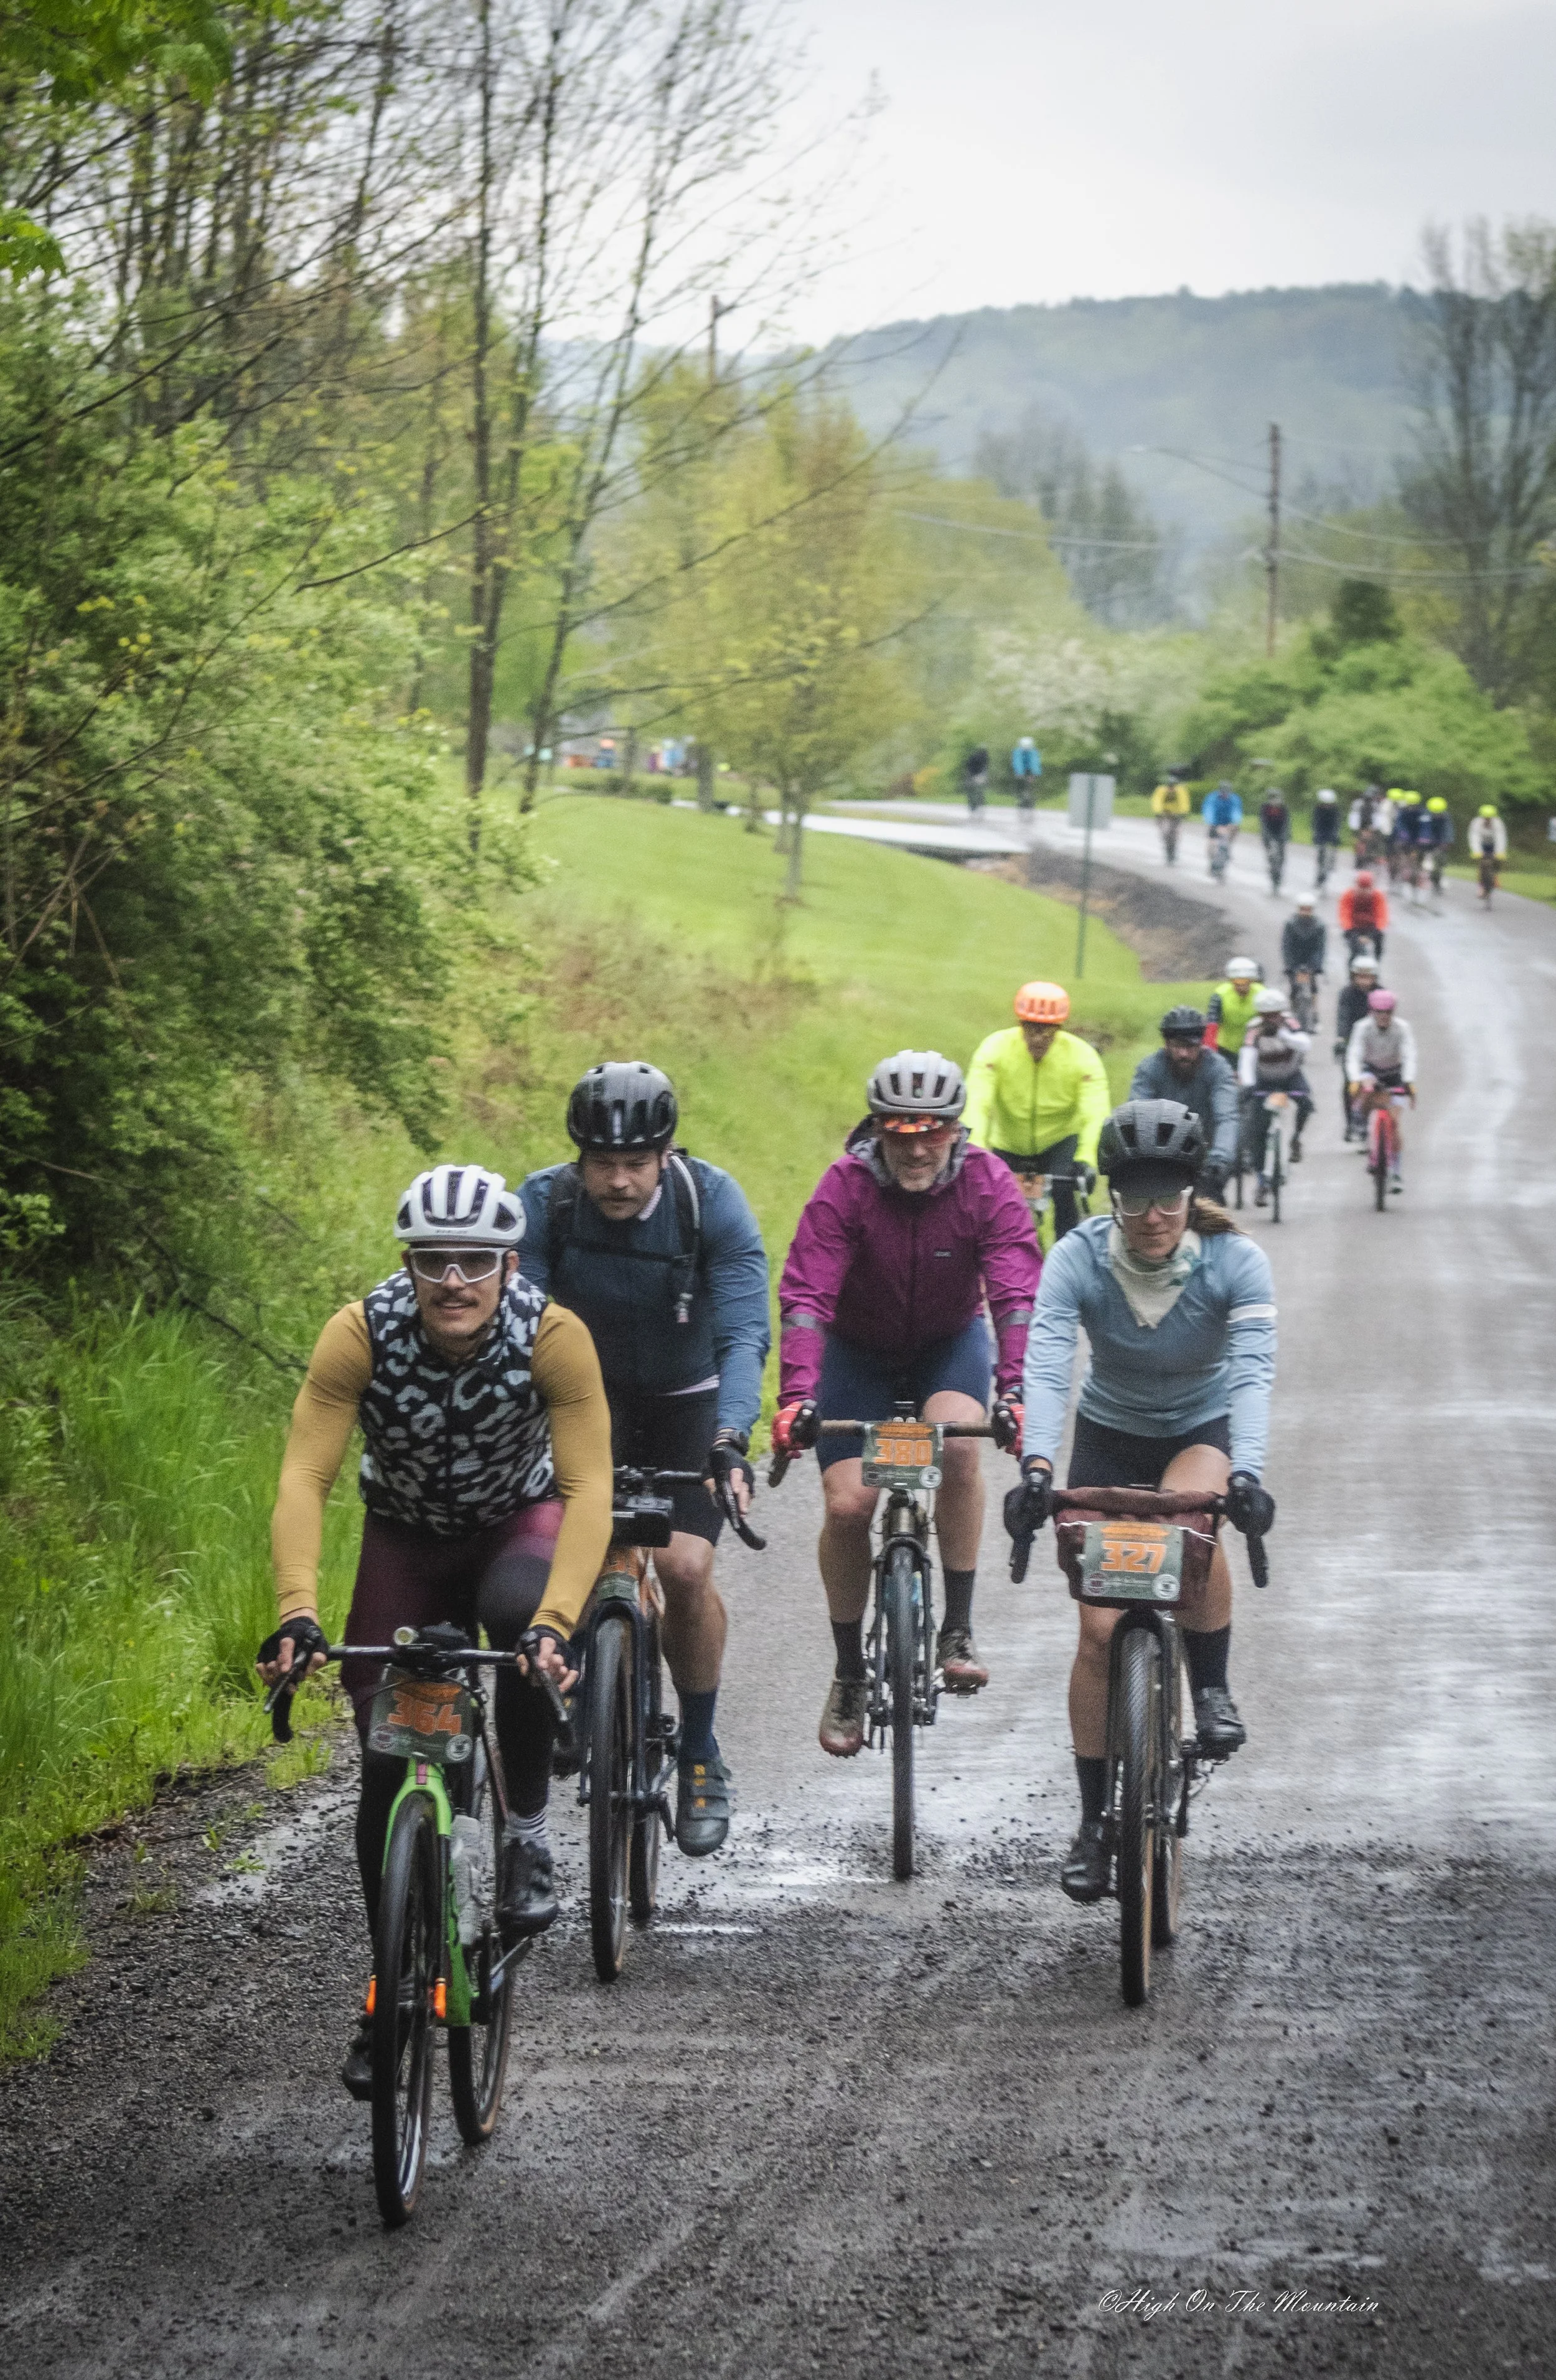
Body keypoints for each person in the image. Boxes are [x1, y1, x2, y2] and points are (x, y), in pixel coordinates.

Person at [258, 1165, 614, 2096]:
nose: (453, 1279)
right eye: (432, 1261)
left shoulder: (553, 1335)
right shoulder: (360, 1332)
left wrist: (559, 1623)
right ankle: (388, 1995)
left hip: (515, 1527)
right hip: (407, 1539)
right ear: (409, 1266)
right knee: (389, 1751)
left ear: (507, 1261)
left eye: (474, 1261)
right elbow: (306, 1478)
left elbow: (588, 1491)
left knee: (519, 1628)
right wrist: (297, 1609)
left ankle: (527, 1830)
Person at [1005, 1100, 1277, 1903]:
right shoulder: (1078, 1258)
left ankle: (1212, 1684)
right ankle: (1094, 1825)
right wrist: (1035, 1466)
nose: (1151, 1216)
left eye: (1168, 1197)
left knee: (1196, 1513)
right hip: (1109, 1433)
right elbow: (1049, 1367)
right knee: (1096, 1632)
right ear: (1108, 1196)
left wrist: (1249, 1475)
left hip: (1200, 1422)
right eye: (1132, 1199)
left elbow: (1254, 1372)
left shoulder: (1236, 1262)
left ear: (1193, 1194)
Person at [519, 1062, 769, 1857]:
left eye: (635, 1164)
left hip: (685, 1405)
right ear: (577, 1158)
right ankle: (590, 1673)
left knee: (688, 1571)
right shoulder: (545, 1205)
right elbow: (515, 1329)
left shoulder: (711, 1204)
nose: (618, 1182)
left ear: (666, 1155)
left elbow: (741, 1333)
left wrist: (730, 1437)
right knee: (587, 1555)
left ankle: (699, 1749)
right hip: (584, 1405)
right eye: (601, 1164)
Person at [772, 1050, 1039, 1730]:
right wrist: (796, 1397)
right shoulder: (845, 1186)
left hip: (946, 1346)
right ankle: (848, 1673)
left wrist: (1013, 1389)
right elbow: (807, 1295)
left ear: (955, 1129)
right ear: (877, 1131)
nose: (916, 1149)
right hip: (857, 1353)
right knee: (848, 1506)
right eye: (899, 1133)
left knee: (956, 1449)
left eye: (931, 1132)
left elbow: (1013, 1292)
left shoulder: (987, 1183)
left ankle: (958, 1627)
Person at [963, 981, 1110, 1241]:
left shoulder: (1082, 1056)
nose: (1038, 1038)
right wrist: (975, 1149)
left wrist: (1087, 1158)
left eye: (1047, 1030)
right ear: (1021, 1024)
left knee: (1066, 1199)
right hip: (1008, 1141)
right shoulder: (995, 1048)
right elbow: (978, 1102)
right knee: (992, 1206)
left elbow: (1095, 1112)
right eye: (1031, 1028)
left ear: (1059, 1028)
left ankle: (1069, 1259)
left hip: (1059, 1141)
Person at [1128, 1006, 1239, 1201]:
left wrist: (1220, 1158)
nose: (1184, 1054)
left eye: (1191, 1047)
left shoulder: (1218, 1069)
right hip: (1163, 1155)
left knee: (1211, 1215)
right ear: (1167, 1045)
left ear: (1201, 1045)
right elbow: (1138, 1114)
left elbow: (1227, 1117)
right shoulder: (1150, 1069)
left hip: (1206, 1155)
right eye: (1178, 1046)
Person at [1237, 988, 1313, 1197]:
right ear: (1260, 1015)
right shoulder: (1254, 1029)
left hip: (1290, 1075)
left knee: (1306, 1104)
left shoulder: (1290, 1023)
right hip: (1264, 1079)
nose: (1271, 1019)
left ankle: (1296, 1138)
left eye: (1275, 1015)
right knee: (1257, 1129)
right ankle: (1261, 1178)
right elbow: (1247, 1058)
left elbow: (1306, 1044)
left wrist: (1282, 1035)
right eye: (1266, 1016)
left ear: (1282, 1013)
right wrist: (1249, 1085)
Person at [1346, 990, 1418, 1190]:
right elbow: (1354, 1054)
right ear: (1372, 1012)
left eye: (1388, 1012)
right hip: (1371, 1071)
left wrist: (1408, 1081)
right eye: (1379, 1012)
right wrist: (1355, 1080)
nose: (1384, 1016)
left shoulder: (1403, 1028)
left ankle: (1395, 1172)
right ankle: (1362, 1124)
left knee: (1394, 1122)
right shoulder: (1362, 1027)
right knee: (1367, 1090)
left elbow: (1409, 1055)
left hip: (1395, 1073)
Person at [1333, 950, 1382, 1139]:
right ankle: (1350, 1124)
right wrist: (1341, 1039)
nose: (1364, 981)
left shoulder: (1381, 994)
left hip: (1375, 1044)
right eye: (1360, 977)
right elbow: (1343, 1018)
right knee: (1350, 1085)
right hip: (1353, 1044)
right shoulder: (1347, 994)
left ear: (1374, 977)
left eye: (1368, 977)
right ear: (1353, 977)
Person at [1204, 956, 1266, 1059]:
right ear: (1231, 981)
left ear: (1252, 981)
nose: (1241, 987)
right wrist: (1209, 1050)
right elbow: (1212, 1023)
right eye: (1237, 983)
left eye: (1245, 982)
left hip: (1255, 1049)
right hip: (1226, 1050)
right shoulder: (1220, 995)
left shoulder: (1262, 994)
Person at [1280, 897, 1326, 1010]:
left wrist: (1318, 965)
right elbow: (1287, 946)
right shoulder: (1290, 925)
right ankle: (1293, 1009)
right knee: (1294, 987)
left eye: (1308, 910)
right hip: (1295, 957)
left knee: (1313, 987)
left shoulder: (1319, 926)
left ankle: (1315, 1012)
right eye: (1303, 909)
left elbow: (1320, 947)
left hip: (1311, 957)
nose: (1305, 912)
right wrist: (1288, 965)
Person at [1338, 869, 1388, 962]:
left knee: (1380, 941)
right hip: (1354, 928)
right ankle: (1352, 971)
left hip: (1371, 928)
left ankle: (1377, 963)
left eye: (1367, 888)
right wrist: (1349, 929)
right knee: (1354, 950)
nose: (1364, 891)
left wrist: (1376, 931)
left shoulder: (1378, 896)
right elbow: (1344, 914)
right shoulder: (1348, 895)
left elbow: (1382, 915)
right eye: (1361, 887)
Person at [1202, 780, 1242, 874]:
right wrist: (1213, 823)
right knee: (1212, 845)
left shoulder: (1234, 799)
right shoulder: (1212, 798)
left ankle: (1228, 847)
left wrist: (1235, 822)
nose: (1225, 795)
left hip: (1229, 824)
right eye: (1223, 793)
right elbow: (1209, 811)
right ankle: (1212, 861)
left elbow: (1236, 812)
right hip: (1215, 823)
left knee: (1232, 833)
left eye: (1227, 793)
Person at [1470, 803, 1507, 904]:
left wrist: (1500, 852)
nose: (1488, 820)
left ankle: (1495, 877)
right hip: (1482, 845)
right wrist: (1477, 851)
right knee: (1483, 865)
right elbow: (1474, 838)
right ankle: (1482, 887)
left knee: (1498, 862)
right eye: (1486, 818)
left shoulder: (1498, 823)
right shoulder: (1476, 823)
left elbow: (1501, 838)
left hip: (1494, 845)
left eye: (1490, 818)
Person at [1150, 770, 1191, 862]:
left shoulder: (1180, 791)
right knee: (1165, 833)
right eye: (1169, 786)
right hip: (1164, 815)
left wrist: (1184, 812)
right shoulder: (1161, 790)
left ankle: (1173, 851)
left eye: (1173, 786)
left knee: (1175, 835)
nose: (1171, 789)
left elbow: (1184, 802)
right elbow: (1157, 801)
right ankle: (1167, 849)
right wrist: (1158, 812)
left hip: (1176, 816)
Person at [1258, 786, 1291, 887]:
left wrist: (1286, 834)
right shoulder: (1265, 808)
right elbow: (1263, 823)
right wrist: (1265, 835)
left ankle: (1279, 872)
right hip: (1269, 831)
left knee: (1281, 854)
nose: (1275, 801)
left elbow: (1287, 823)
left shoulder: (1283, 808)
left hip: (1280, 832)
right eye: (1272, 798)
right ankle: (1271, 865)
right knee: (1271, 853)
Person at [1011, 737, 1042, 811]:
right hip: (1021, 770)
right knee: (1020, 782)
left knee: (1031, 783)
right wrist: (1019, 773)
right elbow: (1018, 763)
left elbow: (1035, 763)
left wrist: (1035, 773)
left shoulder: (1034, 752)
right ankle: (1019, 797)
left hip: (1030, 770)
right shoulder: (1017, 752)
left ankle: (1031, 797)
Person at [963, 745, 990, 816]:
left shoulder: (974, 756)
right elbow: (984, 768)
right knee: (978, 792)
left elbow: (968, 766)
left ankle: (974, 807)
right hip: (977, 776)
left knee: (973, 793)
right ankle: (979, 807)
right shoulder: (984, 758)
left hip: (972, 776)